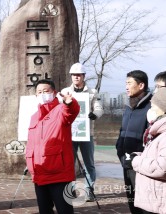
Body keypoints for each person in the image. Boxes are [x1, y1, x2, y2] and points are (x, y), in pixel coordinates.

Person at [25, 79, 80, 214]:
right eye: (39, 92)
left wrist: (69, 102)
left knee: (64, 210)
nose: (42, 94)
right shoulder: (34, 117)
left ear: (54, 93)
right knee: (44, 210)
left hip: (59, 173)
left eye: (46, 91)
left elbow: (71, 111)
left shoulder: (61, 110)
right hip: (39, 173)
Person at [130, 87, 166, 214]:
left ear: (163, 109)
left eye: (152, 106)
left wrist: (136, 161)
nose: (150, 110)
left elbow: (165, 168)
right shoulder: (161, 131)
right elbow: (160, 156)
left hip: (164, 205)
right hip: (158, 201)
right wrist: (138, 155)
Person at [61, 62, 104, 202]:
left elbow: (99, 107)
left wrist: (95, 114)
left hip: (86, 133)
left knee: (89, 164)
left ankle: (89, 191)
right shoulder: (65, 91)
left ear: (84, 76)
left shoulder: (92, 92)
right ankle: (70, 190)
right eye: (74, 75)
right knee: (69, 163)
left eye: (78, 75)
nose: (76, 77)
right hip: (70, 134)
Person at [115, 70, 152, 214]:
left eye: (129, 83)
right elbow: (122, 131)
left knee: (144, 203)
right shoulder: (128, 106)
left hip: (141, 164)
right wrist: (119, 149)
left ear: (141, 85)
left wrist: (141, 159)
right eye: (126, 83)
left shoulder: (151, 107)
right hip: (127, 161)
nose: (126, 87)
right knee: (132, 200)